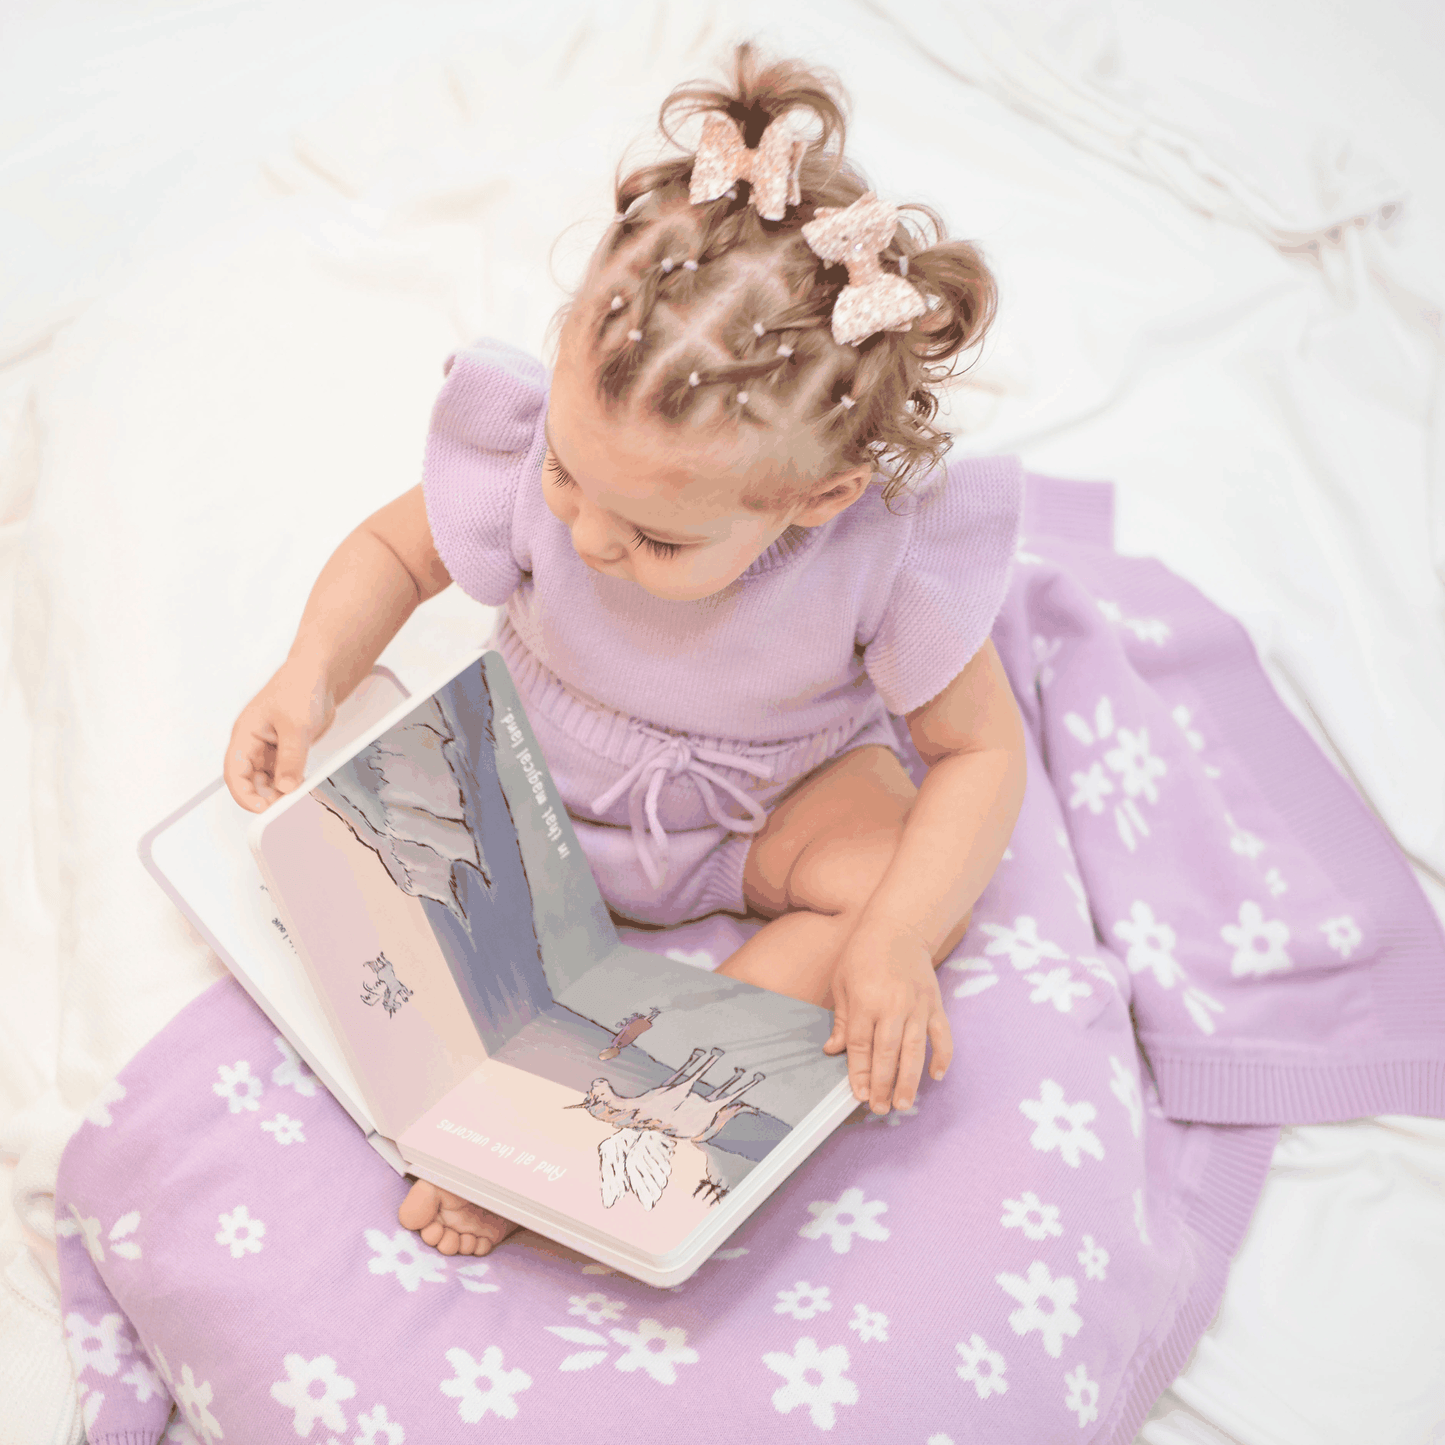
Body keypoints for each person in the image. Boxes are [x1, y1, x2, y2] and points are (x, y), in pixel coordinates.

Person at [224, 41, 1027, 1259]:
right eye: (562, 470)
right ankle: (492, 1092)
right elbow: (397, 554)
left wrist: (894, 937)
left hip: (767, 798)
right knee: (366, 870)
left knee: (904, 893)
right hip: (537, 770)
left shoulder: (872, 550)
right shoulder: (561, 465)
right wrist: (310, 672)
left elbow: (977, 753)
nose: (584, 534)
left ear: (814, 496)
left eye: (653, 533)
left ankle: (637, 1082)